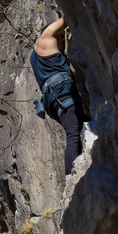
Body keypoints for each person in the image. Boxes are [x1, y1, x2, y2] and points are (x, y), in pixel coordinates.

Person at [30, 16, 86, 175]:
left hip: (52, 100)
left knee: (76, 129)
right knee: (74, 134)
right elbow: (66, 19)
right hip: (61, 93)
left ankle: (76, 167)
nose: (61, 45)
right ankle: (72, 176)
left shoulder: (35, 57)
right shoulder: (45, 39)